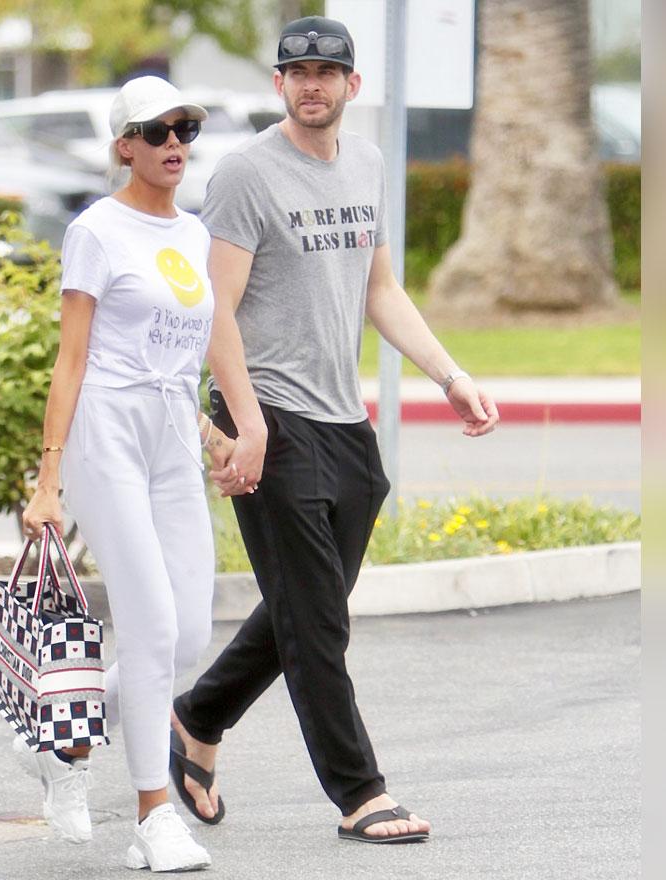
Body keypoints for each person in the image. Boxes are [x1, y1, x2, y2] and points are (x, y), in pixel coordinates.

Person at [166, 16, 500, 845]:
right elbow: (218, 313)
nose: (312, 84)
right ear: (279, 85)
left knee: (304, 606)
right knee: (317, 621)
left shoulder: (369, 163)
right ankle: (361, 792)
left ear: (353, 86)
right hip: (267, 412)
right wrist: (244, 426)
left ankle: (198, 717)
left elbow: (380, 289)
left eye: (327, 71)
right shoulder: (247, 174)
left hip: (341, 416)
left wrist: (449, 376)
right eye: (297, 72)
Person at [16, 75, 263, 872]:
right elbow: (75, 359)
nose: (174, 145)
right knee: (152, 625)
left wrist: (213, 429)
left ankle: (63, 741)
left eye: (185, 130)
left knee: (187, 633)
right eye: (156, 132)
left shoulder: (193, 233)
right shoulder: (97, 230)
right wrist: (47, 480)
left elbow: (192, 346)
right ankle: (154, 816)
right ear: (124, 144)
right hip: (104, 438)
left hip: (169, 437)